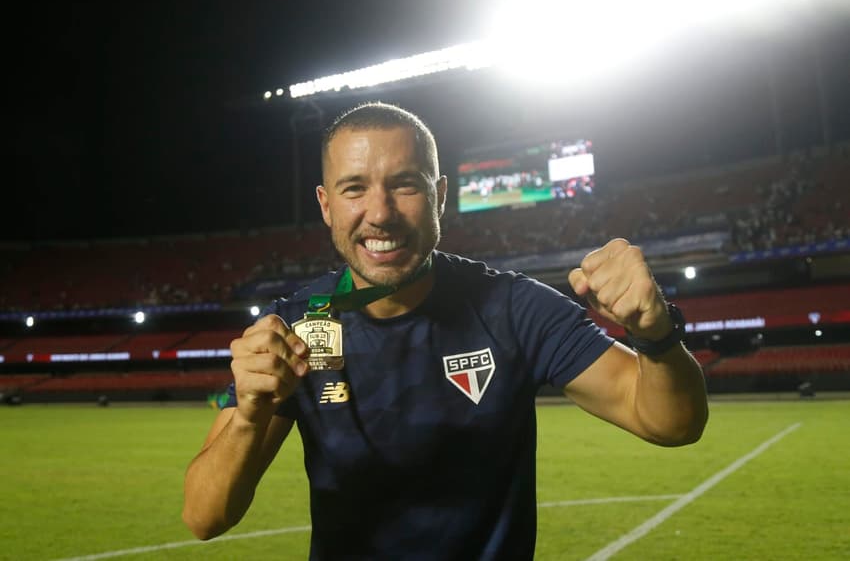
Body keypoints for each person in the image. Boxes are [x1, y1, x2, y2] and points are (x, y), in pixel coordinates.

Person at [182, 102, 708, 559]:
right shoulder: (297, 324)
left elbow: (670, 423)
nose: (380, 213)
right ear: (326, 205)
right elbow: (205, 517)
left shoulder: (514, 308)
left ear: (439, 196)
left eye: (404, 185)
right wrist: (251, 415)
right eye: (354, 189)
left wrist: (655, 333)